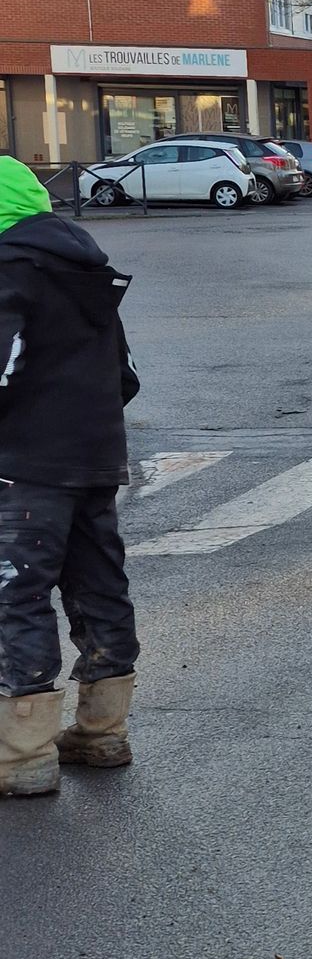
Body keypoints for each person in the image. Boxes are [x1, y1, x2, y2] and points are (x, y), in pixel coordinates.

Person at [0, 157, 141, 797]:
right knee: (96, 584)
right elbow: (124, 377)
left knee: (17, 596)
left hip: (25, 464)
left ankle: (22, 754)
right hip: (95, 457)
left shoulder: (10, 269)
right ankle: (101, 730)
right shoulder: (86, 269)